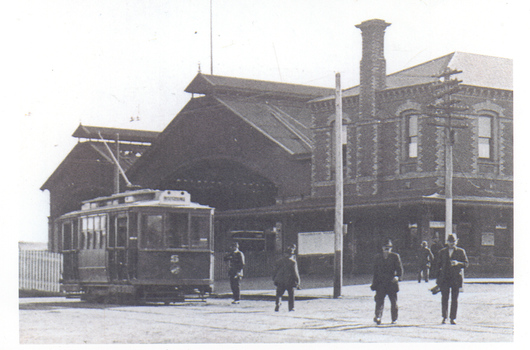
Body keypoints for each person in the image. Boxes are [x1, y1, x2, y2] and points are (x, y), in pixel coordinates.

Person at [433, 233, 468, 324]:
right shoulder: (442, 252)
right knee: (444, 298)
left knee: (454, 299)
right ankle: (444, 317)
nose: (452, 243)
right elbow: (438, 266)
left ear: (457, 241)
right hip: (445, 278)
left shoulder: (461, 251)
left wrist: (458, 263)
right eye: (450, 242)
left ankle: (453, 318)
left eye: (454, 242)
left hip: (455, 278)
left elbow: (466, 264)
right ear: (447, 242)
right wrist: (438, 280)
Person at [370, 239, 403, 325]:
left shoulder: (395, 256)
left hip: (391, 283)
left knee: (393, 301)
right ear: (382, 248)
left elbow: (400, 271)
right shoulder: (377, 257)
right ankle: (378, 317)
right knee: (379, 301)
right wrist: (374, 284)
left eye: (389, 248)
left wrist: (397, 277)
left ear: (391, 248)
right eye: (385, 248)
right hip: (381, 283)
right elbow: (375, 272)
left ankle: (394, 319)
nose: (387, 250)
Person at [272, 244, 301, 312]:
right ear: (291, 254)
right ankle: (291, 307)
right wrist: (298, 281)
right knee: (291, 294)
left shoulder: (279, 261)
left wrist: (274, 278)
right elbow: (295, 273)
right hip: (289, 281)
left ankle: (278, 303)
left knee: (279, 293)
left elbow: (275, 270)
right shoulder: (293, 262)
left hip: (280, 280)